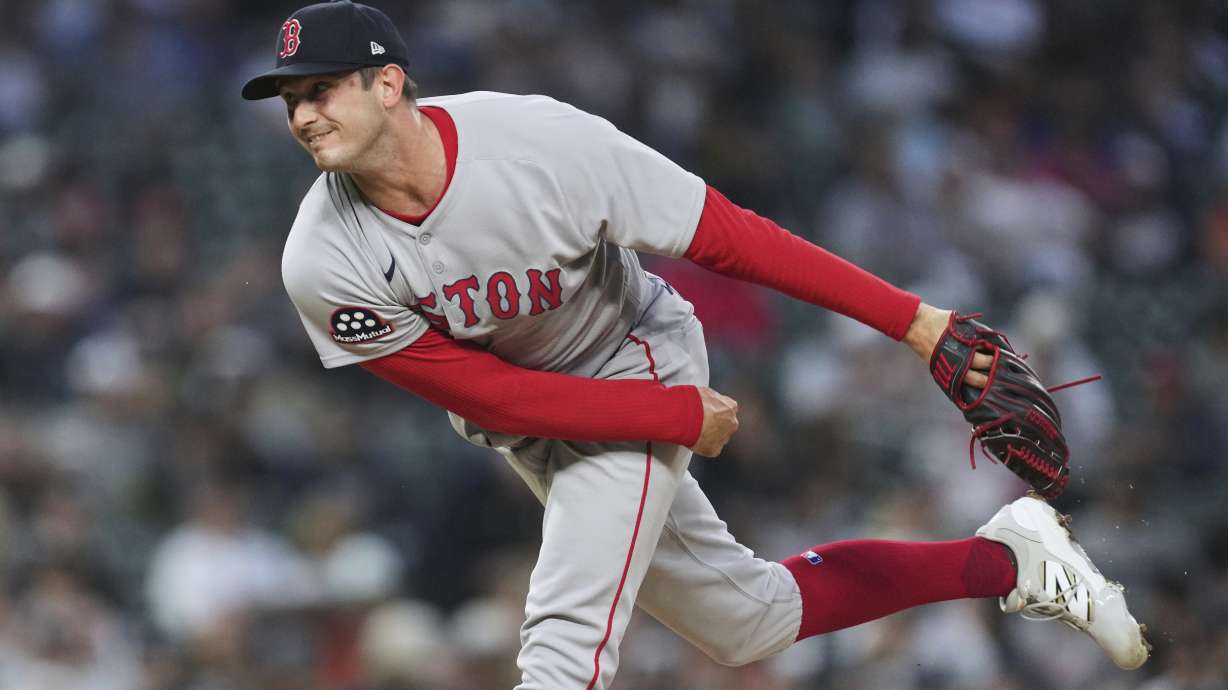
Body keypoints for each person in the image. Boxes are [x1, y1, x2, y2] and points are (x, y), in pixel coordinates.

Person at [242, 2, 1150, 687]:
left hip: (626, 349)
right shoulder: (321, 259)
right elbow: (487, 398)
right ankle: (1014, 559)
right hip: (546, 414)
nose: (303, 115)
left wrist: (914, 323)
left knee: (564, 636)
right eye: (290, 100)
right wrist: (671, 417)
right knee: (745, 623)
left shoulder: (536, 144)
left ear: (389, 83)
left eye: (320, 89)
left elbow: (727, 234)